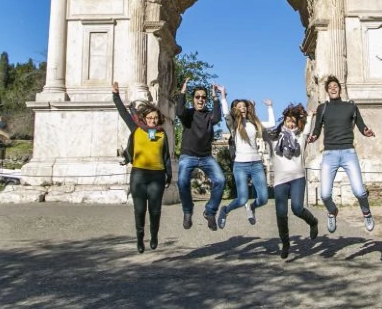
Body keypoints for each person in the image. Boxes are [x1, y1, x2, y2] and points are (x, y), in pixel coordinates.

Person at [307, 75, 376, 233]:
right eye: (330, 86)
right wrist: (313, 137)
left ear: (340, 88)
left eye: (335, 86)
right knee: (324, 195)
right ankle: (332, 212)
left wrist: (367, 132)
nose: (333, 88)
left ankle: (367, 213)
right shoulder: (322, 108)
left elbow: (361, 126)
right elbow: (317, 130)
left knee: (359, 191)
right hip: (329, 154)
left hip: (348, 153)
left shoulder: (351, 106)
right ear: (327, 90)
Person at [113, 82, 172, 253]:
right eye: (150, 118)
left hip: (157, 176)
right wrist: (116, 95)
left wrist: (169, 175)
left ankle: (154, 235)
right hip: (138, 175)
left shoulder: (162, 134)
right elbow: (123, 113)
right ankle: (140, 239)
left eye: (155, 118)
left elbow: (166, 156)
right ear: (144, 118)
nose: (153, 120)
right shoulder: (136, 129)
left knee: (155, 211)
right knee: (139, 210)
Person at [263, 101, 319, 258]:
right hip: (280, 181)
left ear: (296, 123)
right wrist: (268, 108)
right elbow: (261, 129)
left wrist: (311, 115)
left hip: (298, 178)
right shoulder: (273, 139)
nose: (290, 123)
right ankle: (285, 243)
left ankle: (313, 221)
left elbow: (307, 128)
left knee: (297, 208)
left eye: (293, 121)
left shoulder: (300, 138)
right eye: (288, 120)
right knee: (281, 213)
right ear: (284, 121)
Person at [217, 94, 274, 230]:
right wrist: (223, 97)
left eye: (244, 106)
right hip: (240, 165)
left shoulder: (254, 123)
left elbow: (272, 124)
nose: (242, 108)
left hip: (256, 164)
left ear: (248, 109)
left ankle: (252, 208)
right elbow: (226, 114)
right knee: (242, 199)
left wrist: (270, 107)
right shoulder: (234, 125)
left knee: (264, 198)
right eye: (239, 106)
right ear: (236, 109)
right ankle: (225, 210)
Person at [175, 78, 225, 231]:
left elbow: (217, 117)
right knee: (182, 182)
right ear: (193, 99)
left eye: (204, 97)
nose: (201, 100)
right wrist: (183, 92)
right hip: (188, 156)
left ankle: (210, 212)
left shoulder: (209, 116)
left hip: (206, 157)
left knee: (220, 180)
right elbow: (179, 111)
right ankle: (188, 211)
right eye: (198, 97)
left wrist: (215, 96)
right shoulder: (188, 114)